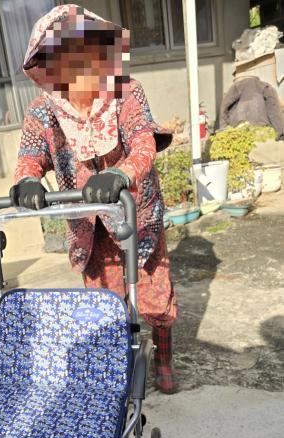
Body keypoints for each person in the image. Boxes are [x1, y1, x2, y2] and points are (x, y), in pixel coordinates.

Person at [10, 4, 178, 393]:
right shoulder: (43, 111)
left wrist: (120, 173)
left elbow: (144, 141)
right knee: (105, 305)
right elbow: (30, 156)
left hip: (136, 215)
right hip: (89, 226)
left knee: (154, 293)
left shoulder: (125, 92)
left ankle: (164, 358)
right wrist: (27, 181)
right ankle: (117, 367)